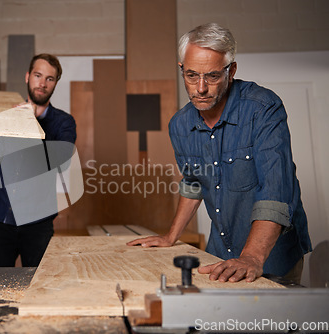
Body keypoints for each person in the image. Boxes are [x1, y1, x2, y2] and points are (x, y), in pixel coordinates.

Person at [127, 23, 311, 284]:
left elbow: (276, 190)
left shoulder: (263, 108)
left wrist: (252, 257)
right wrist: (171, 236)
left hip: (271, 257)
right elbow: (193, 184)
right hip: (219, 254)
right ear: (181, 69)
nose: (200, 88)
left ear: (231, 70)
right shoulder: (179, 125)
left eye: (212, 76)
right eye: (191, 76)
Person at [0, 54, 76, 267]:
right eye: (37, 75)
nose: (42, 83)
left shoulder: (64, 123)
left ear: (55, 84)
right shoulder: (6, 115)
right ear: (27, 77)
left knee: (36, 289)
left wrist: (28, 123)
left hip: (37, 225)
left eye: (49, 79)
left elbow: (61, 161)